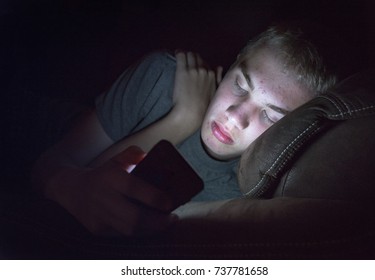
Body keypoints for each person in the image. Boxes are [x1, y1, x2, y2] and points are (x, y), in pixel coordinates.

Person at [31, 23, 337, 236]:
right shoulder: (164, 76)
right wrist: (180, 120)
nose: (234, 116)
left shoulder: (250, 194)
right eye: (240, 84)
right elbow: (50, 164)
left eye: (270, 116)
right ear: (227, 69)